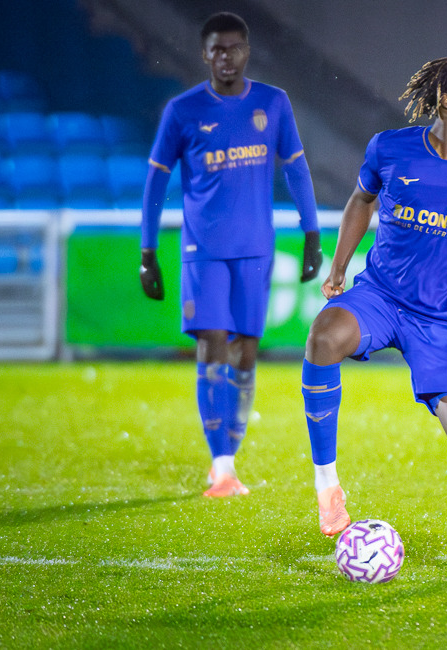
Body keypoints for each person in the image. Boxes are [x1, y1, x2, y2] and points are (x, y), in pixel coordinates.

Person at [301, 57, 447, 581]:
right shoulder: (389, 148)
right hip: (379, 296)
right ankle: (327, 486)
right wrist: (338, 269)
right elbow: (361, 200)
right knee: (322, 339)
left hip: (443, 323)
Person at [139, 12, 322, 498]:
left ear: (246, 52)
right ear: (205, 54)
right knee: (212, 341)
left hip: (256, 249)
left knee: (246, 352)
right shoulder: (182, 110)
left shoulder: (272, 103)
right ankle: (221, 464)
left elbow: (298, 170)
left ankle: (229, 453)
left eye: (234, 48)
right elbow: (156, 180)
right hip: (204, 251)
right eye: (217, 49)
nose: (226, 57)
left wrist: (312, 234)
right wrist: (148, 249)